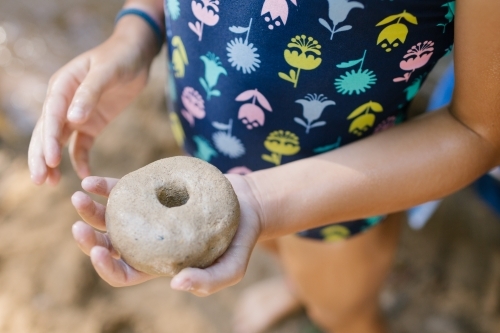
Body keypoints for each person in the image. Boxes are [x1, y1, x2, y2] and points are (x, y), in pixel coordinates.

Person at [28, 0, 500, 332]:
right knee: (276, 252)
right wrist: (136, 31)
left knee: (342, 313)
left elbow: (478, 130)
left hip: (344, 193)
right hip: (206, 134)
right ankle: (295, 284)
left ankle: (316, 297)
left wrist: (261, 202)